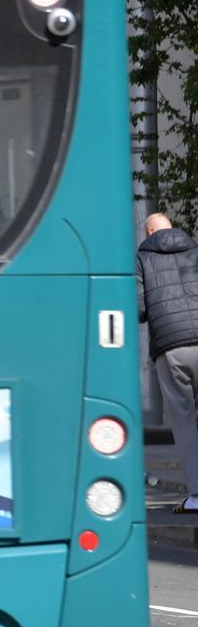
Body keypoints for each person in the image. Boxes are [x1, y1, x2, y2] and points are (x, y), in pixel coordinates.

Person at [136, 212, 198, 513]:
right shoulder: (195, 249)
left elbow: (138, 308)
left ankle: (196, 495)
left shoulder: (142, 258)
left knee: (184, 420)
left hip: (171, 347)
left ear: (149, 232)